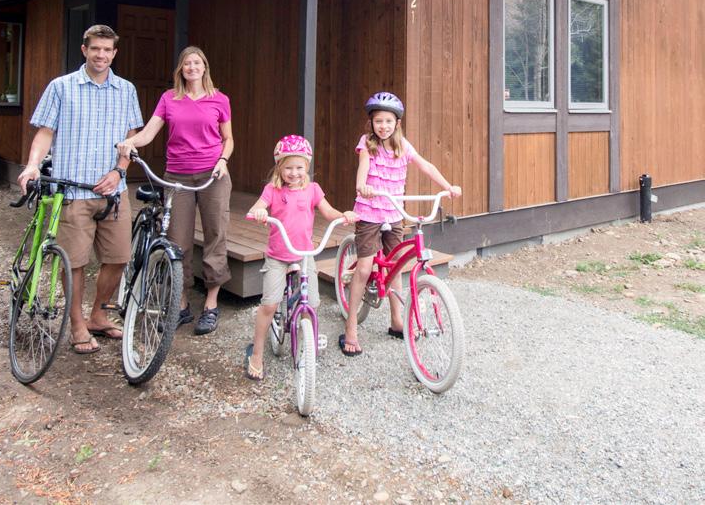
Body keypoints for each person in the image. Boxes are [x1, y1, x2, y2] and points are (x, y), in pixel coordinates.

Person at [17, 24, 142, 355]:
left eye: (107, 50)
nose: (101, 55)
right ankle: (76, 324)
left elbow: (131, 139)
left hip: (114, 193)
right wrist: (33, 165)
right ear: (84, 50)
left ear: (114, 53)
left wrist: (119, 171)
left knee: (119, 258)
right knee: (74, 263)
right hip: (73, 192)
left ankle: (97, 315)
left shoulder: (126, 90)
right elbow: (45, 132)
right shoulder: (61, 87)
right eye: (95, 48)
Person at [117, 46, 233, 335]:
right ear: (181, 69)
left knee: (215, 234)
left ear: (204, 67)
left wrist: (223, 160)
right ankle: (180, 305)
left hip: (213, 175)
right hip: (177, 176)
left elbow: (228, 139)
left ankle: (211, 304)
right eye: (186, 64)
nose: (192, 67)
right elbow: (148, 133)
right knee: (176, 240)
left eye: (197, 63)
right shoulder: (169, 98)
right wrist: (130, 143)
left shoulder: (219, 99)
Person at [340, 92, 461, 357]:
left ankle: (396, 320)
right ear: (371, 123)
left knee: (395, 267)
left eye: (388, 121)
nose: (383, 126)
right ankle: (351, 325)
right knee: (364, 269)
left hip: (394, 213)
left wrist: (448, 186)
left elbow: (426, 166)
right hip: (370, 212)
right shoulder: (367, 143)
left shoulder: (403, 146)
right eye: (378, 121)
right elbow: (363, 167)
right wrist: (361, 186)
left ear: (397, 123)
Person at [244, 135, 355, 381]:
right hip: (278, 255)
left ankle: (307, 344)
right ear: (279, 167)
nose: (294, 173)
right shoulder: (272, 190)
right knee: (270, 304)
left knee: (312, 304)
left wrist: (344, 215)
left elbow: (328, 211)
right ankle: (257, 354)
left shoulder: (312, 189)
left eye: (299, 167)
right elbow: (256, 207)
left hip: (305, 255)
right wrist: (259, 211)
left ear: (307, 166)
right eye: (288, 168)